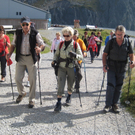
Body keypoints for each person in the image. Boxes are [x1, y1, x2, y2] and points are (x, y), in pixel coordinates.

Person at [6, 16, 45, 108]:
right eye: (23, 24)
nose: (25, 26)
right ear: (21, 25)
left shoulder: (35, 33)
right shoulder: (18, 32)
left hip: (31, 58)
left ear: (30, 24)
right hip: (20, 58)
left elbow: (42, 44)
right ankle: (22, 93)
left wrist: (40, 48)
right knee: (17, 78)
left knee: (32, 79)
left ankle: (32, 99)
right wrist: (10, 53)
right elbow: (13, 44)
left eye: (27, 24)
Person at [102, 25, 134, 113]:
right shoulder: (111, 42)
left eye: (121, 34)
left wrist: (132, 62)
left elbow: (131, 55)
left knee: (119, 87)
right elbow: (105, 54)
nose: (119, 36)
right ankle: (108, 105)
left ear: (124, 34)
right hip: (111, 67)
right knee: (111, 86)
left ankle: (115, 104)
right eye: (118, 34)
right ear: (115, 33)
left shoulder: (128, 42)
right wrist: (104, 65)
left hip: (122, 68)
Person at [51, 26, 83, 112]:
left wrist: (75, 55)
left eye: (67, 35)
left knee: (70, 83)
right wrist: (54, 61)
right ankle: (58, 103)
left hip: (71, 67)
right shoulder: (61, 44)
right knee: (60, 84)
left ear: (71, 35)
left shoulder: (76, 45)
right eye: (64, 35)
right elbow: (56, 54)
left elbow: (81, 57)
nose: (65, 37)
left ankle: (69, 96)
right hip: (61, 67)